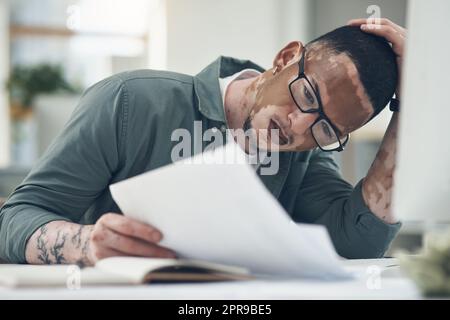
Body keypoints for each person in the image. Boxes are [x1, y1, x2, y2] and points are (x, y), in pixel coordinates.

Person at [0, 19, 407, 266]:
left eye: (327, 130)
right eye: (306, 95)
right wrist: (86, 244)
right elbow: (14, 218)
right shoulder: (129, 101)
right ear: (284, 58)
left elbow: (359, 242)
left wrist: (412, 105)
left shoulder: (305, 153)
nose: (298, 128)